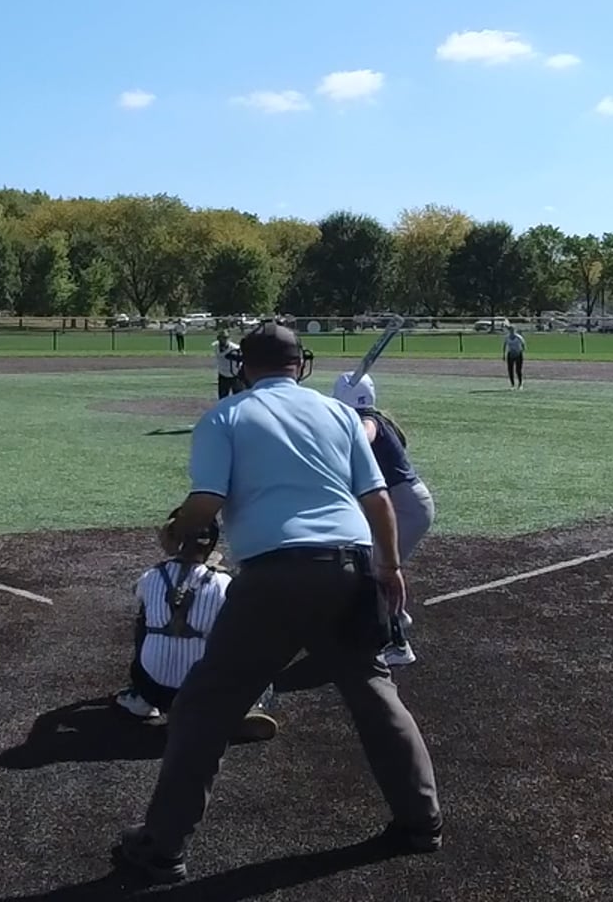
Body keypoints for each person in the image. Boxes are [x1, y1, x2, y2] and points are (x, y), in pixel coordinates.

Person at [113, 323, 441, 885]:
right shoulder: (340, 414)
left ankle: (162, 848)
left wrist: (176, 529)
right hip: (350, 565)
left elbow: (207, 501)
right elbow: (378, 500)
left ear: (243, 366)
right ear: (300, 364)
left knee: (203, 707)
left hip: (274, 576)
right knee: (374, 693)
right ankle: (422, 822)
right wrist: (389, 568)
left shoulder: (226, 416)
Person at [112, 513, 278, 741]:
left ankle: (140, 697)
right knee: (252, 642)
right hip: (200, 692)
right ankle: (249, 708)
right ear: (211, 544)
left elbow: (141, 592)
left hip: (154, 688)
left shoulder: (150, 577)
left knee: (145, 618)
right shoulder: (223, 583)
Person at [331, 371, 434, 666]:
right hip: (407, 505)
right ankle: (398, 616)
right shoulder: (373, 417)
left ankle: (397, 645)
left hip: (407, 509)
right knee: (372, 564)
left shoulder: (369, 420)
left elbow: (365, 435)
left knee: (377, 572)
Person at [212, 330, 242, 399]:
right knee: (223, 398)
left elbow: (242, 359)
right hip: (222, 375)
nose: (224, 340)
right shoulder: (216, 346)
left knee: (238, 398)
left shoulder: (235, 348)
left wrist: (237, 358)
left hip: (235, 376)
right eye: (222, 338)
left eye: (226, 337)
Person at [503, 325, 527, 389]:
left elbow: (523, 344)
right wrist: (504, 354)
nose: (511, 331)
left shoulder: (519, 337)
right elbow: (505, 345)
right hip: (510, 354)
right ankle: (512, 384)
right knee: (510, 370)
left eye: (513, 330)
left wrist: (521, 351)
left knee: (518, 370)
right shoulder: (507, 337)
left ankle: (520, 384)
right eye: (510, 330)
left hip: (518, 354)